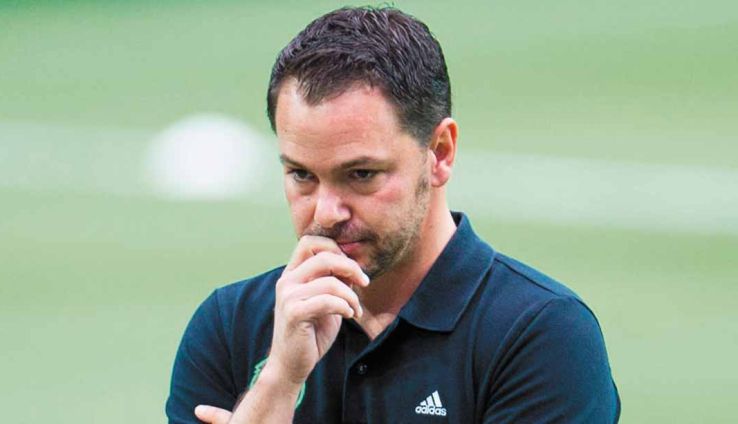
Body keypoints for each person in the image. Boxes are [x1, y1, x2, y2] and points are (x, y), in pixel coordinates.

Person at [166, 6, 620, 423]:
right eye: (302, 175)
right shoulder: (229, 326)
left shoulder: (542, 334)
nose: (326, 212)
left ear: (439, 153)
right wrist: (280, 380)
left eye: (361, 174)